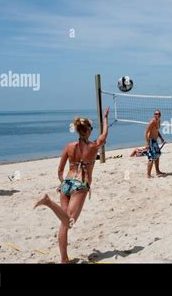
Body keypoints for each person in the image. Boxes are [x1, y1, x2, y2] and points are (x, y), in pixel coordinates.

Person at [34, 107, 109, 263]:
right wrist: (106, 119)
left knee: (64, 223)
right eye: (91, 128)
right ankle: (47, 201)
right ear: (87, 131)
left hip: (66, 183)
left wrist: (62, 184)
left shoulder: (69, 146)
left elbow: (60, 170)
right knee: (69, 222)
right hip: (80, 185)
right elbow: (104, 135)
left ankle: (64, 259)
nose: (92, 131)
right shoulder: (93, 147)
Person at [145, 109, 166, 178]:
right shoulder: (152, 121)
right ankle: (148, 174)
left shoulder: (158, 121)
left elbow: (157, 131)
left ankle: (157, 171)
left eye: (159, 114)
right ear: (154, 115)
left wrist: (161, 138)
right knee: (151, 158)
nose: (158, 115)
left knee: (157, 156)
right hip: (150, 141)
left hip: (155, 140)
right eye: (156, 114)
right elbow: (146, 132)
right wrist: (147, 143)